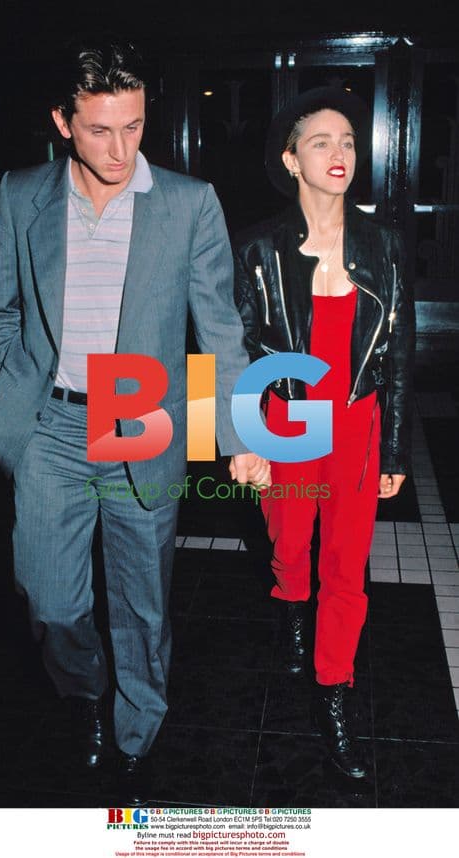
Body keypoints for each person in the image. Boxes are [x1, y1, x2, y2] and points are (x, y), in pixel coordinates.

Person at [0, 36, 270, 805]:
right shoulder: (20, 193)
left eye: (134, 127)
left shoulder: (186, 203)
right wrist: (18, 376)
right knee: (50, 600)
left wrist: (240, 437)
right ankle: (86, 693)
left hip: (137, 411)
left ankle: (138, 729)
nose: (119, 147)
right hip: (51, 424)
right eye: (101, 129)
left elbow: (219, 331)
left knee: (142, 599)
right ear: (63, 122)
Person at [234, 85, 415, 779]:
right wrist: (237, 440)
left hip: (358, 422)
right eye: (321, 142)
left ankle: (333, 686)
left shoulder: (384, 247)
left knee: (346, 564)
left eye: (346, 141)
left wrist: (395, 447)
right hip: (287, 419)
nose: (338, 153)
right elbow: (220, 346)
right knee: (290, 547)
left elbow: (398, 355)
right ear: (290, 160)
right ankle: (289, 606)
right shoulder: (255, 249)